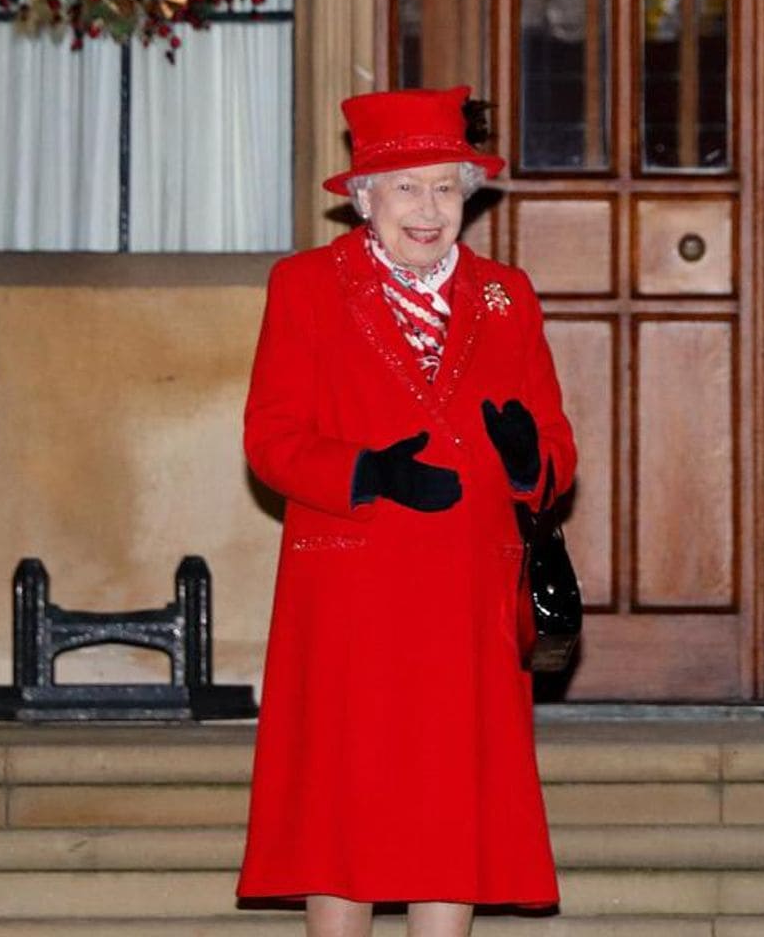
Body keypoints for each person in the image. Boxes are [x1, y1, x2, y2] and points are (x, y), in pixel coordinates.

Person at [236, 86, 577, 937]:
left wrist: (536, 464)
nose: (428, 211)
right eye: (406, 188)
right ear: (364, 197)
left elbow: (555, 440)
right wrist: (365, 472)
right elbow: (270, 440)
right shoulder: (308, 287)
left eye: (446, 188)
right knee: (344, 800)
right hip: (353, 588)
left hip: (468, 588)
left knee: (448, 797)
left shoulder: (507, 296)